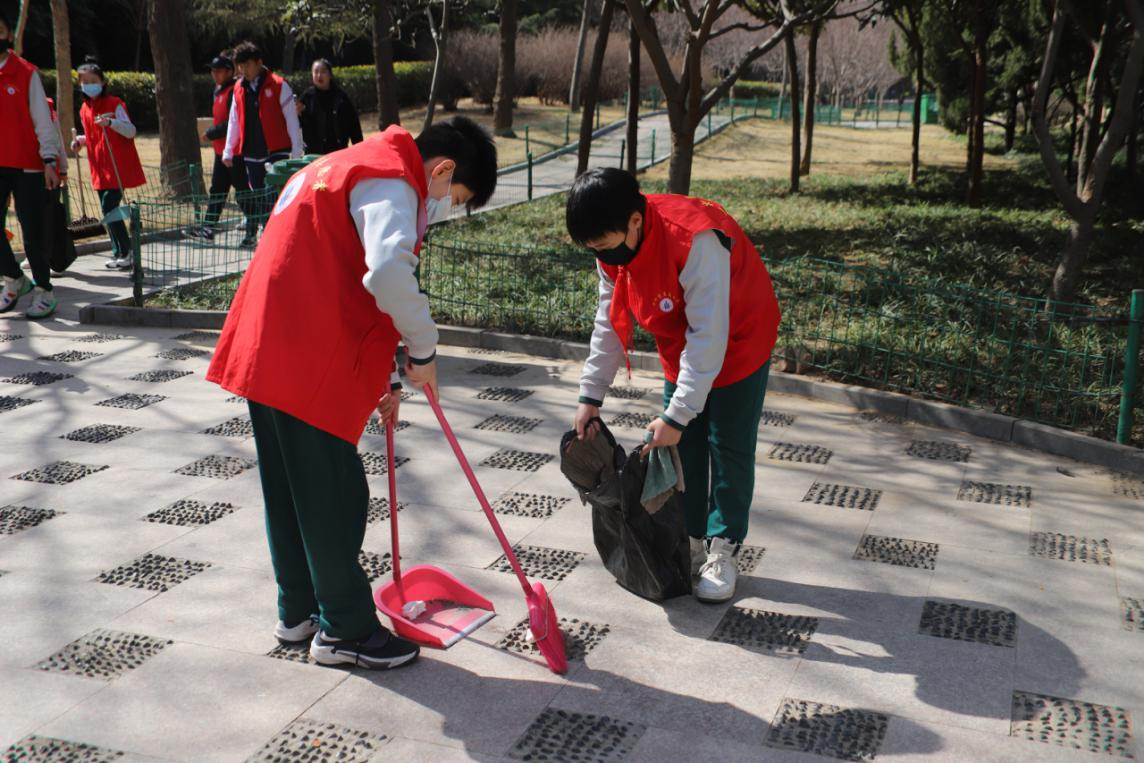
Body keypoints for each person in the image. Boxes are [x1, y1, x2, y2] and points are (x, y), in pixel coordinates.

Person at [206, 116, 497, 669]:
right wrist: (424, 349)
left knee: (291, 490)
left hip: (266, 347)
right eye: (451, 198)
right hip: (304, 356)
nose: (440, 208)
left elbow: (338, 264)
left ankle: (299, 610)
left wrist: (386, 373)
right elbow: (386, 273)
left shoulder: (340, 165)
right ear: (444, 169)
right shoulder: (393, 178)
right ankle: (345, 629)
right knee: (335, 495)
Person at [567, 167, 781, 603]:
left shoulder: (696, 240)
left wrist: (677, 413)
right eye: (594, 250)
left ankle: (724, 546)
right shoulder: (611, 246)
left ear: (634, 220)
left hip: (738, 336)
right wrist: (591, 396)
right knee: (682, 446)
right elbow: (609, 320)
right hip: (683, 342)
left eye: (605, 246)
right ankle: (692, 536)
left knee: (728, 443)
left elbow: (710, 336)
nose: (604, 257)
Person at [0, 9, 66, 318]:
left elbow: (44, 120)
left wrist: (50, 161)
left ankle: (44, 289)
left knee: (32, 231)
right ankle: (14, 279)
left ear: (8, 34)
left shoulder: (26, 73)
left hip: (28, 165)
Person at [222, 41, 302, 248]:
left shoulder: (278, 85)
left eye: (246, 65)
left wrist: (297, 151)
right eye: (239, 66)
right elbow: (234, 119)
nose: (242, 70)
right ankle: (265, 237)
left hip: (276, 151)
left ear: (259, 63)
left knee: (271, 196)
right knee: (257, 196)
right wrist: (228, 149)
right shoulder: (238, 88)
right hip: (251, 152)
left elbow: (292, 120)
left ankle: (273, 239)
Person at [71, 57, 146, 272]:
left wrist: (111, 122)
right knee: (108, 211)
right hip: (99, 168)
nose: (89, 85)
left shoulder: (115, 104)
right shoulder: (85, 108)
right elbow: (93, 135)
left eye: (93, 80)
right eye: (84, 82)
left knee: (109, 208)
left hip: (117, 166)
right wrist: (81, 141)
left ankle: (127, 251)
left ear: (103, 82)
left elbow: (130, 130)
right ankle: (118, 252)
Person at [187, 53, 252, 241]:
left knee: (242, 193)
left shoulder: (234, 91)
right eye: (213, 71)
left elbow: (233, 122)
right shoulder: (219, 91)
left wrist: (211, 133)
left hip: (235, 152)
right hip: (220, 152)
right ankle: (208, 229)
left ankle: (254, 229)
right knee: (217, 191)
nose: (215, 74)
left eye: (219, 71)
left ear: (230, 72)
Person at [297, 58, 364, 155]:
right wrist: (298, 114)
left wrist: (359, 151)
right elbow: (298, 125)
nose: (319, 75)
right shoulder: (306, 97)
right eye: (316, 72)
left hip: (337, 152)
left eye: (323, 71)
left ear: (330, 75)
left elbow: (354, 126)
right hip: (314, 154)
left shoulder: (341, 98)